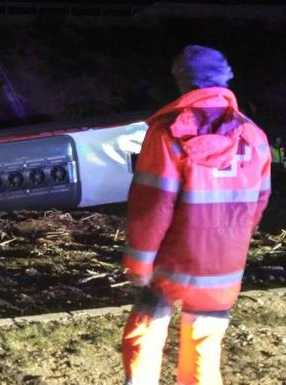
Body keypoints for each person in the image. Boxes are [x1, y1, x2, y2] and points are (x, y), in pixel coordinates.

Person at [121, 45, 272, 385]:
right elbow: (259, 203)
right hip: (224, 266)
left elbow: (152, 206)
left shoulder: (166, 134)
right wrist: (232, 244)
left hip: (171, 264)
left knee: (144, 334)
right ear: (225, 80)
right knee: (205, 346)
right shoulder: (255, 136)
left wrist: (139, 264)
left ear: (181, 81)